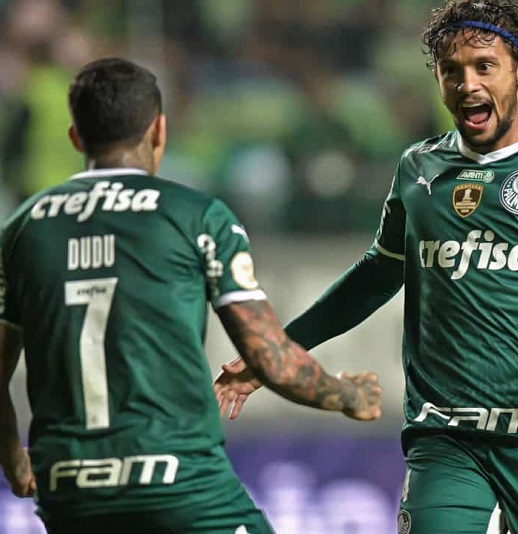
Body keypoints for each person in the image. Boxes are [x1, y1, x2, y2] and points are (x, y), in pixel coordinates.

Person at [215, 1, 518, 532]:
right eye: (452, 70)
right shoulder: (420, 168)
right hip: (448, 439)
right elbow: (377, 274)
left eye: (485, 67)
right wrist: (276, 352)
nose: (468, 84)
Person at [0, 57, 382, 534]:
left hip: (69, 490)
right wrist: (349, 395)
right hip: (179, 482)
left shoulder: (23, 229)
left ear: (77, 137)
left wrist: (13, 458)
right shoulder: (195, 217)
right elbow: (272, 360)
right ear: (158, 130)